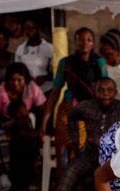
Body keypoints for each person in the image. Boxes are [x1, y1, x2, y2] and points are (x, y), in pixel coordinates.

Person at [40, 78, 120, 191]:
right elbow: (70, 117)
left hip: (113, 159)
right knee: (68, 175)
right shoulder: (85, 107)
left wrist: (112, 144)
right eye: (101, 90)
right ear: (95, 92)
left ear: (115, 92)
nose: (105, 94)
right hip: (89, 156)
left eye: (109, 90)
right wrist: (76, 142)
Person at [42, 27, 108, 168]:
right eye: (81, 39)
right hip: (68, 110)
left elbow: (106, 90)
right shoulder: (66, 63)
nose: (85, 42)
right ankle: (66, 183)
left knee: (89, 153)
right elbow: (55, 92)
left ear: (93, 44)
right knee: (64, 149)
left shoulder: (99, 63)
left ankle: (86, 185)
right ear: (75, 42)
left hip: (91, 112)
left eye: (89, 40)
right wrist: (45, 120)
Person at [14, 19, 53, 92]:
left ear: (38, 28)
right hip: (27, 90)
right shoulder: (20, 49)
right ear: (24, 30)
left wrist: (45, 78)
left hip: (46, 89)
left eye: (33, 27)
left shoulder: (49, 48)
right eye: (27, 28)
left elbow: (57, 71)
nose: (30, 30)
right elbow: (17, 71)